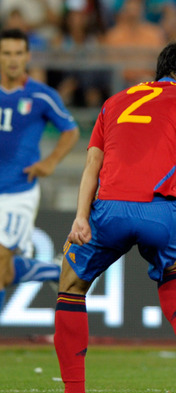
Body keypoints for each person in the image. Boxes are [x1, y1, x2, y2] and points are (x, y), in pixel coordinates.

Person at [40, 39, 176, 393]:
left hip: (109, 209)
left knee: (71, 287)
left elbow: (92, 166)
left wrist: (80, 217)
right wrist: (175, 211)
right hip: (161, 210)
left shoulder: (114, 102)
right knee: (172, 270)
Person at [0, 28, 79, 313]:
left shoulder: (41, 96)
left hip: (18, 191)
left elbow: (70, 131)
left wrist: (51, 161)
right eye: (6, 53)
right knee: (5, 273)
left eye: (18, 53)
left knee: (0, 258)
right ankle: (54, 271)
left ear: (27, 56)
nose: (12, 59)